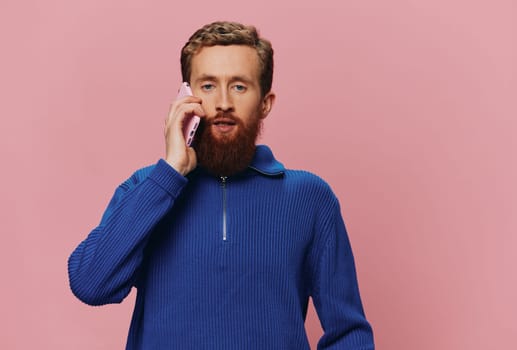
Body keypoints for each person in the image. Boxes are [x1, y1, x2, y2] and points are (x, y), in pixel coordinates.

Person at [68, 21, 374, 350]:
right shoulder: (147, 187)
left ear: (265, 103)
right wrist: (169, 173)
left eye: (239, 87)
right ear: (186, 97)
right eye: (209, 86)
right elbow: (90, 283)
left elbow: (349, 333)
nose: (224, 102)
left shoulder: (310, 198)